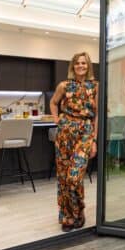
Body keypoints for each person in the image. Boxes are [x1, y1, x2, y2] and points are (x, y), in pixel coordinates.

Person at [50, 52, 98, 232]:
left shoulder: (95, 87)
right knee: (63, 178)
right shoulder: (64, 85)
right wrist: (57, 120)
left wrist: (94, 140)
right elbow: (53, 103)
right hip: (64, 134)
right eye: (77, 63)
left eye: (84, 63)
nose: (80, 66)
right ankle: (68, 217)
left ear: (88, 66)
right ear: (73, 66)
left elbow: (97, 115)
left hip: (85, 134)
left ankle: (79, 211)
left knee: (74, 176)